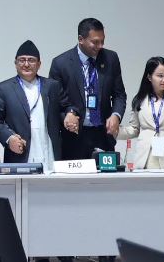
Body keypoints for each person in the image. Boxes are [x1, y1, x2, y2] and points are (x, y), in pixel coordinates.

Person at [49, 17, 127, 160]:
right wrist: (67, 117)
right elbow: (55, 103)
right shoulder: (60, 64)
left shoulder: (111, 58)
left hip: (103, 135)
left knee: (105, 175)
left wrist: (116, 115)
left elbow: (119, 94)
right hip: (74, 137)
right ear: (81, 39)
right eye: (95, 42)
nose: (100, 46)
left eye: (102, 41)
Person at [0, 40, 77, 168]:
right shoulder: (4, 88)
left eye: (31, 60)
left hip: (49, 151)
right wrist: (9, 139)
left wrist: (71, 113)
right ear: (15, 63)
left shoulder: (52, 86)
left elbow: (68, 106)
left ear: (39, 64)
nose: (26, 64)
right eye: (22, 60)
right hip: (19, 154)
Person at [118, 57, 164, 169]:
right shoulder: (139, 99)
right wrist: (116, 131)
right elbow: (134, 129)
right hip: (145, 158)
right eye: (160, 76)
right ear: (149, 77)